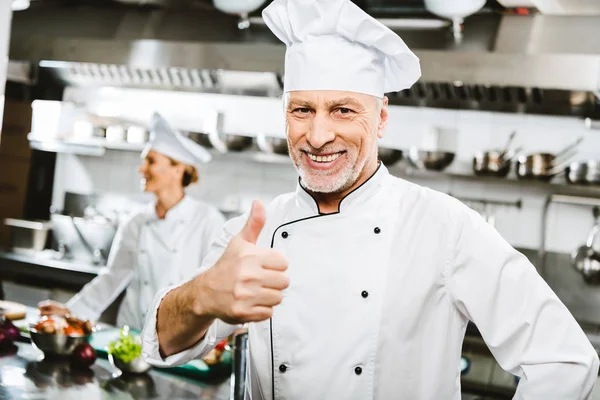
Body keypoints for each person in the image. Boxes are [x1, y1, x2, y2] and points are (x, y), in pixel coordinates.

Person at [141, 1, 599, 399]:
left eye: (343, 110)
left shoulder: (445, 227)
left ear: (381, 119)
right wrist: (200, 295)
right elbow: (159, 343)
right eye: (302, 110)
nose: (318, 136)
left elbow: (566, 363)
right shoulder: (253, 232)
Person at [38, 113, 226, 330]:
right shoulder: (136, 221)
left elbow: (217, 285)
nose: (141, 169)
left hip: (181, 335)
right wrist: (71, 311)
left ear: (178, 169)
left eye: (151, 161)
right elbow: (113, 276)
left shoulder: (206, 220)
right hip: (133, 331)